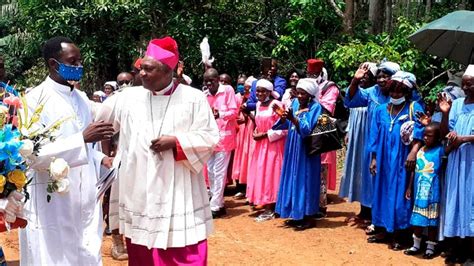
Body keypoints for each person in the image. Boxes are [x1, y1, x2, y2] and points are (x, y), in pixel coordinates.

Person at [96, 36, 219, 265]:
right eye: (141, 68)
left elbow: (210, 137)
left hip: (178, 187)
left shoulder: (193, 98)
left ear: (167, 71)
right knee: (142, 251)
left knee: (183, 251)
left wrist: (176, 141)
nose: (141, 74)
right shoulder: (128, 98)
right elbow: (96, 121)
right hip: (139, 190)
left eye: (148, 69)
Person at [19, 36, 115, 265]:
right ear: (53, 64)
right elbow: (29, 155)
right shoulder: (33, 100)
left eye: (80, 61)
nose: (79, 67)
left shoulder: (81, 98)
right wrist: (81, 139)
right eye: (73, 62)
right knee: (54, 254)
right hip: (52, 200)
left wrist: (102, 159)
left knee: (87, 250)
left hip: (84, 196)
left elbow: (87, 148)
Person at [367, 71, 424, 250]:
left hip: (402, 158)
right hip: (384, 158)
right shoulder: (380, 110)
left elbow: (421, 132)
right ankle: (384, 229)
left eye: (399, 92)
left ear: (406, 92)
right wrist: (374, 159)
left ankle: (401, 233)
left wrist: (413, 152)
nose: (395, 95)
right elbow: (374, 136)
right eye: (392, 92)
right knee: (382, 190)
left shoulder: (414, 108)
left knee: (401, 193)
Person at [274, 78, 322, 230]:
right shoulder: (294, 103)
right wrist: (283, 118)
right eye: (298, 93)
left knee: (306, 180)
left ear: (310, 95)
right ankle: (295, 214)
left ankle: (308, 216)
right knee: (292, 177)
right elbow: (287, 124)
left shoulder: (316, 107)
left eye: (303, 94)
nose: (300, 96)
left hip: (306, 149)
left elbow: (308, 130)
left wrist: (293, 119)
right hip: (293, 145)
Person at [438, 64, 474, 264]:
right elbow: (444, 133)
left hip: (472, 164)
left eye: (471, 85)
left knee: (471, 204)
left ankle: (471, 253)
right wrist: (444, 113)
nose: (467, 88)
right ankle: (457, 249)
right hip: (456, 162)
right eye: (465, 84)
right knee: (456, 202)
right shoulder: (457, 104)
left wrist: (464, 139)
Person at [339, 62, 377, 223]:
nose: (363, 79)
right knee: (359, 171)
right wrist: (348, 131)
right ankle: (363, 207)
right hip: (356, 138)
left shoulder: (373, 96)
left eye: (368, 76)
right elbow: (351, 112)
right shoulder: (358, 95)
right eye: (362, 76)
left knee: (369, 173)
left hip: (369, 137)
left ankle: (371, 209)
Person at [246, 79, 286, 222]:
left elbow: (284, 128)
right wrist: (257, 132)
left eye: (263, 91)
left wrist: (264, 135)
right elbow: (259, 123)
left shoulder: (276, 105)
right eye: (257, 90)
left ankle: (272, 207)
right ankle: (265, 203)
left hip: (273, 145)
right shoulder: (257, 104)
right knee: (261, 173)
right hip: (260, 145)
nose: (260, 93)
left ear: (270, 92)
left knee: (271, 174)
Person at [404, 122, 443, 259]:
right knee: (417, 219)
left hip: (432, 193)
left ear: (437, 137)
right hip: (419, 191)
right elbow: (415, 170)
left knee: (431, 220)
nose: (426, 138)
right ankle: (416, 244)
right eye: (425, 135)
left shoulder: (440, 150)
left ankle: (430, 247)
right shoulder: (420, 150)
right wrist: (409, 187)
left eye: (430, 136)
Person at [203, 68, 238, 218]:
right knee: (210, 171)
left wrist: (220, 114)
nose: (209, 83)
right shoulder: (204, 96)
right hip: (210, 140)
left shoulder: (228, 90)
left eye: (212, 80)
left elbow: (234, 112)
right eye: (206, 81)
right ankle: (220, 203)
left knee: (219, 172)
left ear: (217, 79)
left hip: (225, 139)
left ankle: (215, 205)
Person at [310, 58, 339, 218]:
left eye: (315, 73)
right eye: (309, 73)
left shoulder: (330, 87)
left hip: (323, 126)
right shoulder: (305, 86)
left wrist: (311, 97)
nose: (312, 75)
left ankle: (321, 206)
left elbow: (326, 108)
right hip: (308, 128)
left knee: (321, 168)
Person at [232, 76, 257, 199]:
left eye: (248, 88)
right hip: (241, 132)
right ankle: (240, 186)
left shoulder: (256, 102)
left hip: (251, 131)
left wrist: (247, 114)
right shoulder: (238, 98)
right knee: (241, 158)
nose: (245, 89)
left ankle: (250, 188)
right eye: (244, 87)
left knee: (249, 157)